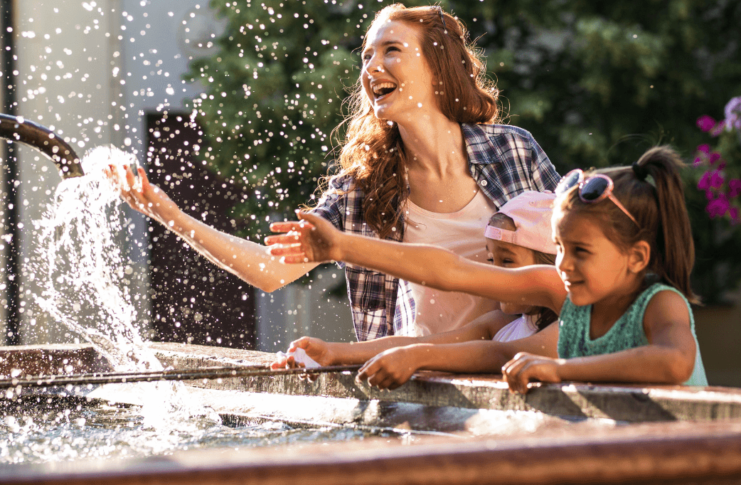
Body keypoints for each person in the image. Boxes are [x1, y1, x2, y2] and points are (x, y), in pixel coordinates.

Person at [108, 3, 560, 341]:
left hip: (518, 369)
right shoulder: (364, 185)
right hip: (420, 384)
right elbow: (271, 271)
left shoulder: (512, 150)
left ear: (436, 66)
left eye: (391, 50)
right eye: (366, 55)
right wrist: (171, 216)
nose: (371, 67)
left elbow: (574, 256)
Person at [267, 146, 708, 392]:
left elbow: (672, 362)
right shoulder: (563, 290)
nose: (565, 265)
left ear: (637, 258)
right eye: (559, 248)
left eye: (580, 252)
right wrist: (342, 246)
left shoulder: (658, 304)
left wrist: (559, 370)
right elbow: (450, 271)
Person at [271, 192, 563, 389]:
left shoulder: (566, 310)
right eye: (491, 260)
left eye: (508, 261)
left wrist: (416, 357)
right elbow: (440, 340)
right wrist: (334, 353)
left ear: (549, 262)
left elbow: (501, 355)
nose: (494, 272)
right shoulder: (504, 323)